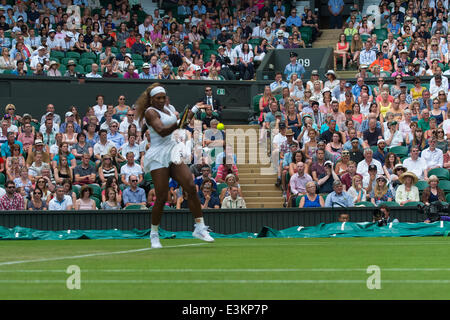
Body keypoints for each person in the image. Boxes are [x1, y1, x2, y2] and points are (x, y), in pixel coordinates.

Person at [135, 83, 214, 248]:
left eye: (163, 97)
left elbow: (180, 122)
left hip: (172, 151)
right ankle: (154, 234)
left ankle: (199, 227)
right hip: (157, 155)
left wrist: (192, 110)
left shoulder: (168, 109)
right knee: (162, 196)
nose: (162, 100)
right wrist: (182, 121)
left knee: (191, 186)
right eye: (158, 98)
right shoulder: (150, 112)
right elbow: (162, 131)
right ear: (151, 99)